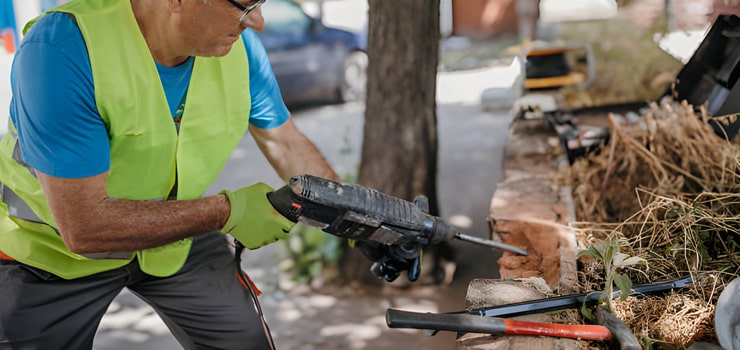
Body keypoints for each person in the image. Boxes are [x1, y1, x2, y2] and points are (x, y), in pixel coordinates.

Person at [0, 0, 343, 349]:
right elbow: (85, 228)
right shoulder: (62, 48)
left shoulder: (238, 50)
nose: (258, 22)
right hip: (48, 256)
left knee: (244, 341)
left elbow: (285, 142)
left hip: (173, 237)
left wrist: (358, 222)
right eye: (245, 4)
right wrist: (229, 211)